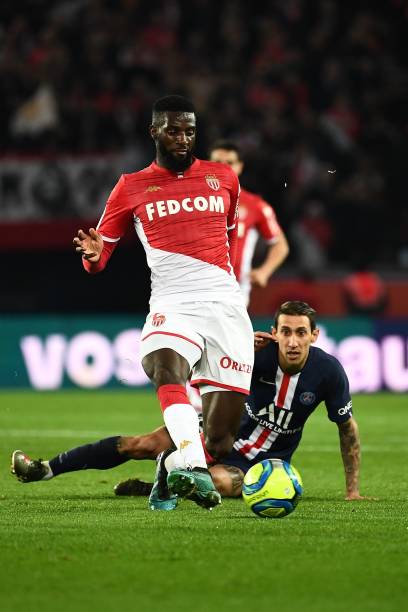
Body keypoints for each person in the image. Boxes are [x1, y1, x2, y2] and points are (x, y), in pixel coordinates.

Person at [71, 95, 254, 510]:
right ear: (154, 131)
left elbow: (229, 237)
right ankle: (191, 467)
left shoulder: (223, 178)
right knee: (163, 365)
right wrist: (93, 256)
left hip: (225, 306)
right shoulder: (130, 186)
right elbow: (101, 256)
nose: (183, 138)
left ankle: (171, 470)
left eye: (190, 130)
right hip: (172, 301)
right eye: (173, 129)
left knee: (222, 441)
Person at [11, 301, 371, 503]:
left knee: (218, 482)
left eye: (301, 333)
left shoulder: (328, 372)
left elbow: (347, 429)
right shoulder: (252, 354)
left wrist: (352, 491)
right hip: (218, 433)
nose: (293, 341)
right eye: (286, 332)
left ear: (314, 335)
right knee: (140, 444)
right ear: (274, 332)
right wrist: (239, 345)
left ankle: (163, 479)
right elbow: (199, 364)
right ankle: (45, 468)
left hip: (260, 462)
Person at [209, 140, 289, 306]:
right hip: (195, 288)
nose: (223, 167)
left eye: (230, 162)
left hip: (234, 291)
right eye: (217, 162)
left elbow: (280, 244)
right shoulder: (191, 202)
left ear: (240, 167)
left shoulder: (255, 205)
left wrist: (264, 272)